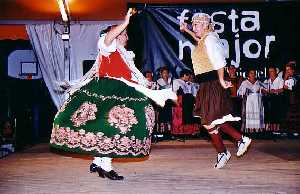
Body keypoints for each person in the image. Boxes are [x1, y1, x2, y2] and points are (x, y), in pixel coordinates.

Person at [50, 9, 176, 180]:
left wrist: (147, 86)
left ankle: (99, 162)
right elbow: (108, 38)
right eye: (124, 34)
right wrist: (125, 23)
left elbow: (131, 76)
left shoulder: (124, 55)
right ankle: (105, 166)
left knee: (109, 127)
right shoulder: (108, 46)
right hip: (108, 90)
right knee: (111, 126)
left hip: (121, 90)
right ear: (116, 35)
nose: (127, 37)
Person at [180, 13, 252, 169]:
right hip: (205, 84)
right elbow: (199, 40)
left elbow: (220, 61)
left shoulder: (211, 39)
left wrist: (220, 80)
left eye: (196, 25)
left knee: (210, 120)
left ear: (205, 25)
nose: (194, 27)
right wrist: (186, 31)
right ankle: (225, 150)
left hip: (212, 83)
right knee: (210, 122)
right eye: (193, 25)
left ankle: (239, 140)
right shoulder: (205, 39)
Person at [262, 66, 284, 131]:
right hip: (268, 99)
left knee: (276, 115)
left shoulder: (280, 80)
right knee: (268, 114)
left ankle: (276, 130)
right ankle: (268, 129)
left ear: (275, 72)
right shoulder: (267, 80)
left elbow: (282, 89)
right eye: (269, 72)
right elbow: (263, 89)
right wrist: (264, 91)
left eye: (272, 71)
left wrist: (274, 91)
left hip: (276, 99)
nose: (270, 73)